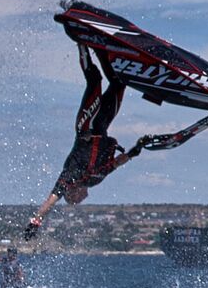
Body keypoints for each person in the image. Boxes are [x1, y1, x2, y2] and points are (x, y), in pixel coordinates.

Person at [25, 43, 147, 239]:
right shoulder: (94, 180)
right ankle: (101, 49)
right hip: (103, 126)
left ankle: (81, 41)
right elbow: (114, 164)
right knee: (118, 83)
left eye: (76, 200)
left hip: (87, 128)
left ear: (72, 193)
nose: (83, 199)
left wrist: (36, 221)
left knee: (94, 80)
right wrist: (134, 151)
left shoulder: (69, 177)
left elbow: (51, 199)